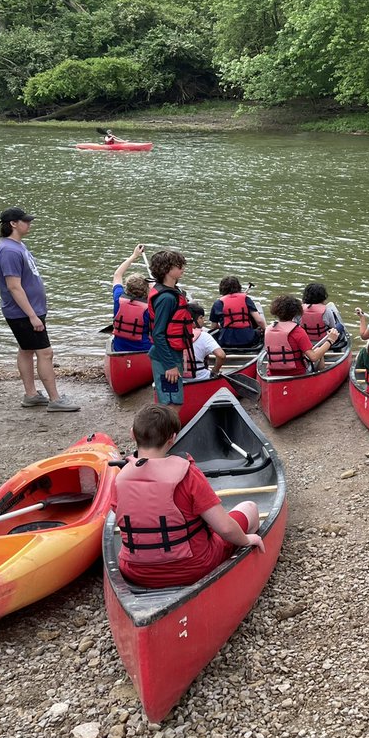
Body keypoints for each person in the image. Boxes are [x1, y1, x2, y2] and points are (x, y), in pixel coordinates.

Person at [113, 405, 265, 588]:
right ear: (172, 438)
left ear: (132, 434)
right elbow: (225, 528)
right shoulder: (188, 475)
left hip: (136, 573)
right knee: (250, 508)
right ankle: (247, 568)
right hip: (194, 568)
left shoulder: (119, 479)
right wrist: (247, 539)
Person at [0, 207, 80, 412]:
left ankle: (31, 395)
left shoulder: (16, 245)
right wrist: (32, 315)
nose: (29, 224)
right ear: (13, 224)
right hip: (23, 313)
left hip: (29, 310)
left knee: (26, 350)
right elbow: (14, 286)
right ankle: (55, 400)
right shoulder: (9, 251)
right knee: (45, 353)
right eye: (25, 221)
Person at [148, 249, 195, 410]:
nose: (183, 268)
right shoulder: (166, 298)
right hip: (166, 357)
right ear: (167, 269)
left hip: (172, 353)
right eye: (179, 265)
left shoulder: (173, 292)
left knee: (175, 401)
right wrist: (170, 365)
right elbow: (158, 333)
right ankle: (168, 428)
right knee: (170, 405)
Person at [265, 295, 341, 377]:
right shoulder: (297, 331)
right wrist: (330, 340)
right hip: (297, 374)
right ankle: (321, 377)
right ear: (295, 312)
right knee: (319, 353)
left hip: (272, 374)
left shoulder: (268, 329)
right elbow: (314, 357)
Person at [110, 244, 151, 353]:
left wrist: (134, 256)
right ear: (147, 290)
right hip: (145, 350)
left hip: (120, 348)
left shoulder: (118, 298)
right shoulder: (150, 308)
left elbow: (117, 275)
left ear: (127, 288)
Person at [211, 277, 266, 349]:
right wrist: (266, 331)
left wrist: (223, 329)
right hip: (248, 340)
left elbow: (214, 326)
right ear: (239, 287)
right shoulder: (246, 299)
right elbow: (259, 321)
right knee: (259, 331)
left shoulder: (218, 303)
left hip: (226, 341)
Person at [183, 303, 225, 381]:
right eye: (201, 317)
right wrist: (215, 371)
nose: (203, 320)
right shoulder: (204, 336)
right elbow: (221, 355)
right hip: (201, 377)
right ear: (193, 320)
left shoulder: (175, 335)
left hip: (178, 378)